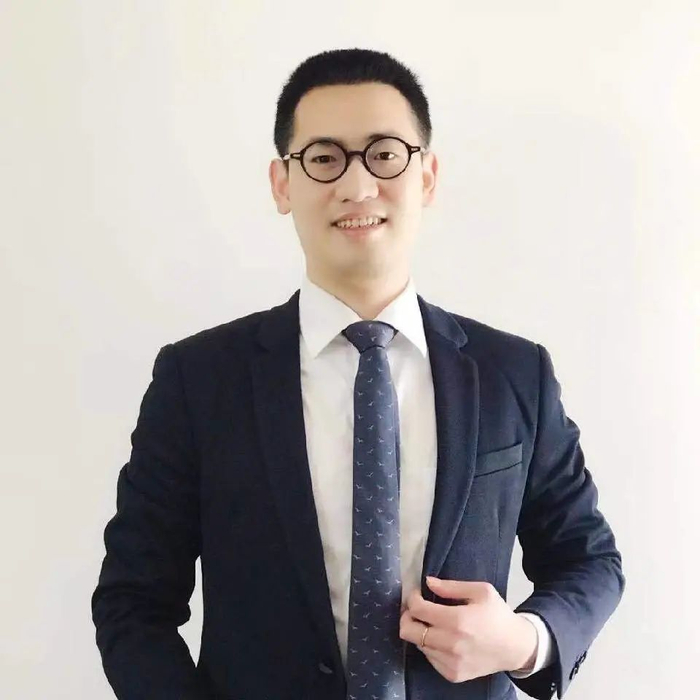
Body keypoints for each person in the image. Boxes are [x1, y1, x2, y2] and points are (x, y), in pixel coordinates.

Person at [91, 48, 625, 700]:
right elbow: (133, 602)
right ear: (282, 183)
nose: (357, 185)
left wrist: (522, 640)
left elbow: (588, 559)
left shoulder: (514, 373)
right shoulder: (197, 380)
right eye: (324, 158)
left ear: (427, 176)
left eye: (384, 154)